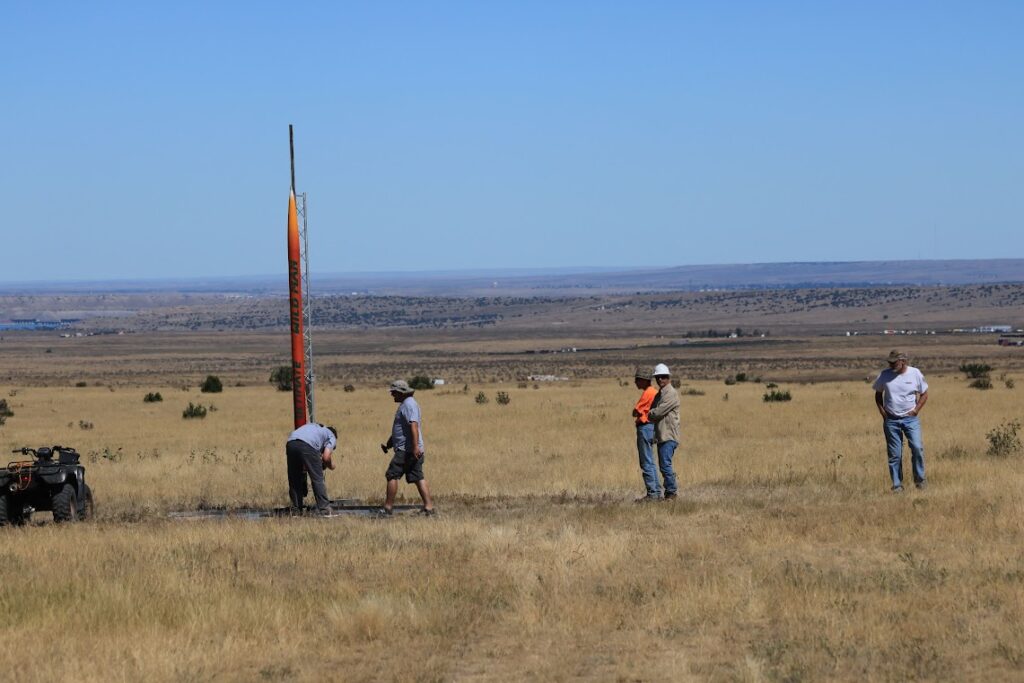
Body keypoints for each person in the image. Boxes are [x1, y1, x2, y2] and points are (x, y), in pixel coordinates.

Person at [873, 350, 929, 492]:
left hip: (911, 419)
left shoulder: (915, 373)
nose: (891, 364)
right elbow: (878, 394)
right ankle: (897, 485)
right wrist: (882, 412)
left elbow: (924, 394)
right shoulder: (884, 375)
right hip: (891, 420)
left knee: (917, 448)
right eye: (890, 362)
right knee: (895, 455)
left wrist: (916, 410)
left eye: (894, 362)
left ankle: (920, 481)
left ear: (903, 361)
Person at [380, 379, 434, 516]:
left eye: (394, 392)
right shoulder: (407, 404)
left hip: (407, 450)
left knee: (392, 475)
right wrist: (389, 444)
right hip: (410, 449)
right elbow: (402, 429)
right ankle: (429, 508)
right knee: (417, 477)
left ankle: (387, 508)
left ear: (400, 392)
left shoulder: (409, 405)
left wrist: (415, 447)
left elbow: (413, 426)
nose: (392, 394)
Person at [285, 422, 337, 515]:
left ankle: (296, 510)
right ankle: (324, 509)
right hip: (308, 445)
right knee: (317, 479)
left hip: (291, 443)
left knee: (294, 479)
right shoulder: (332, 436)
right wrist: (331, 466)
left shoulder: (314, 427)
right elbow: (326, 456)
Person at [647, 363, 681, 500]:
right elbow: (653, 410)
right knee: (663, 465)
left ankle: (672, 492)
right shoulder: (660, 394)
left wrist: (649, 413)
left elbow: (657, 412)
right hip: (662, 435)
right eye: (658, 377)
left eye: (663, 377)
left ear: (668, 378)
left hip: (669, 435)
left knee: (665, 465)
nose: (660, 379)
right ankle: (669, 492)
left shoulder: (671, 394)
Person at [632, 366, 660, 501]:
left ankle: (652, 494)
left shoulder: (648, 393)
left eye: (637, 379)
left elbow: (635, 411)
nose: (635, 382)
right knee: (651, 461)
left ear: (643, 380)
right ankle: (657, 491)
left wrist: (637, 413)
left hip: (645, 427)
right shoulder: (654, 392)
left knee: (646, 462)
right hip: (652, 427)